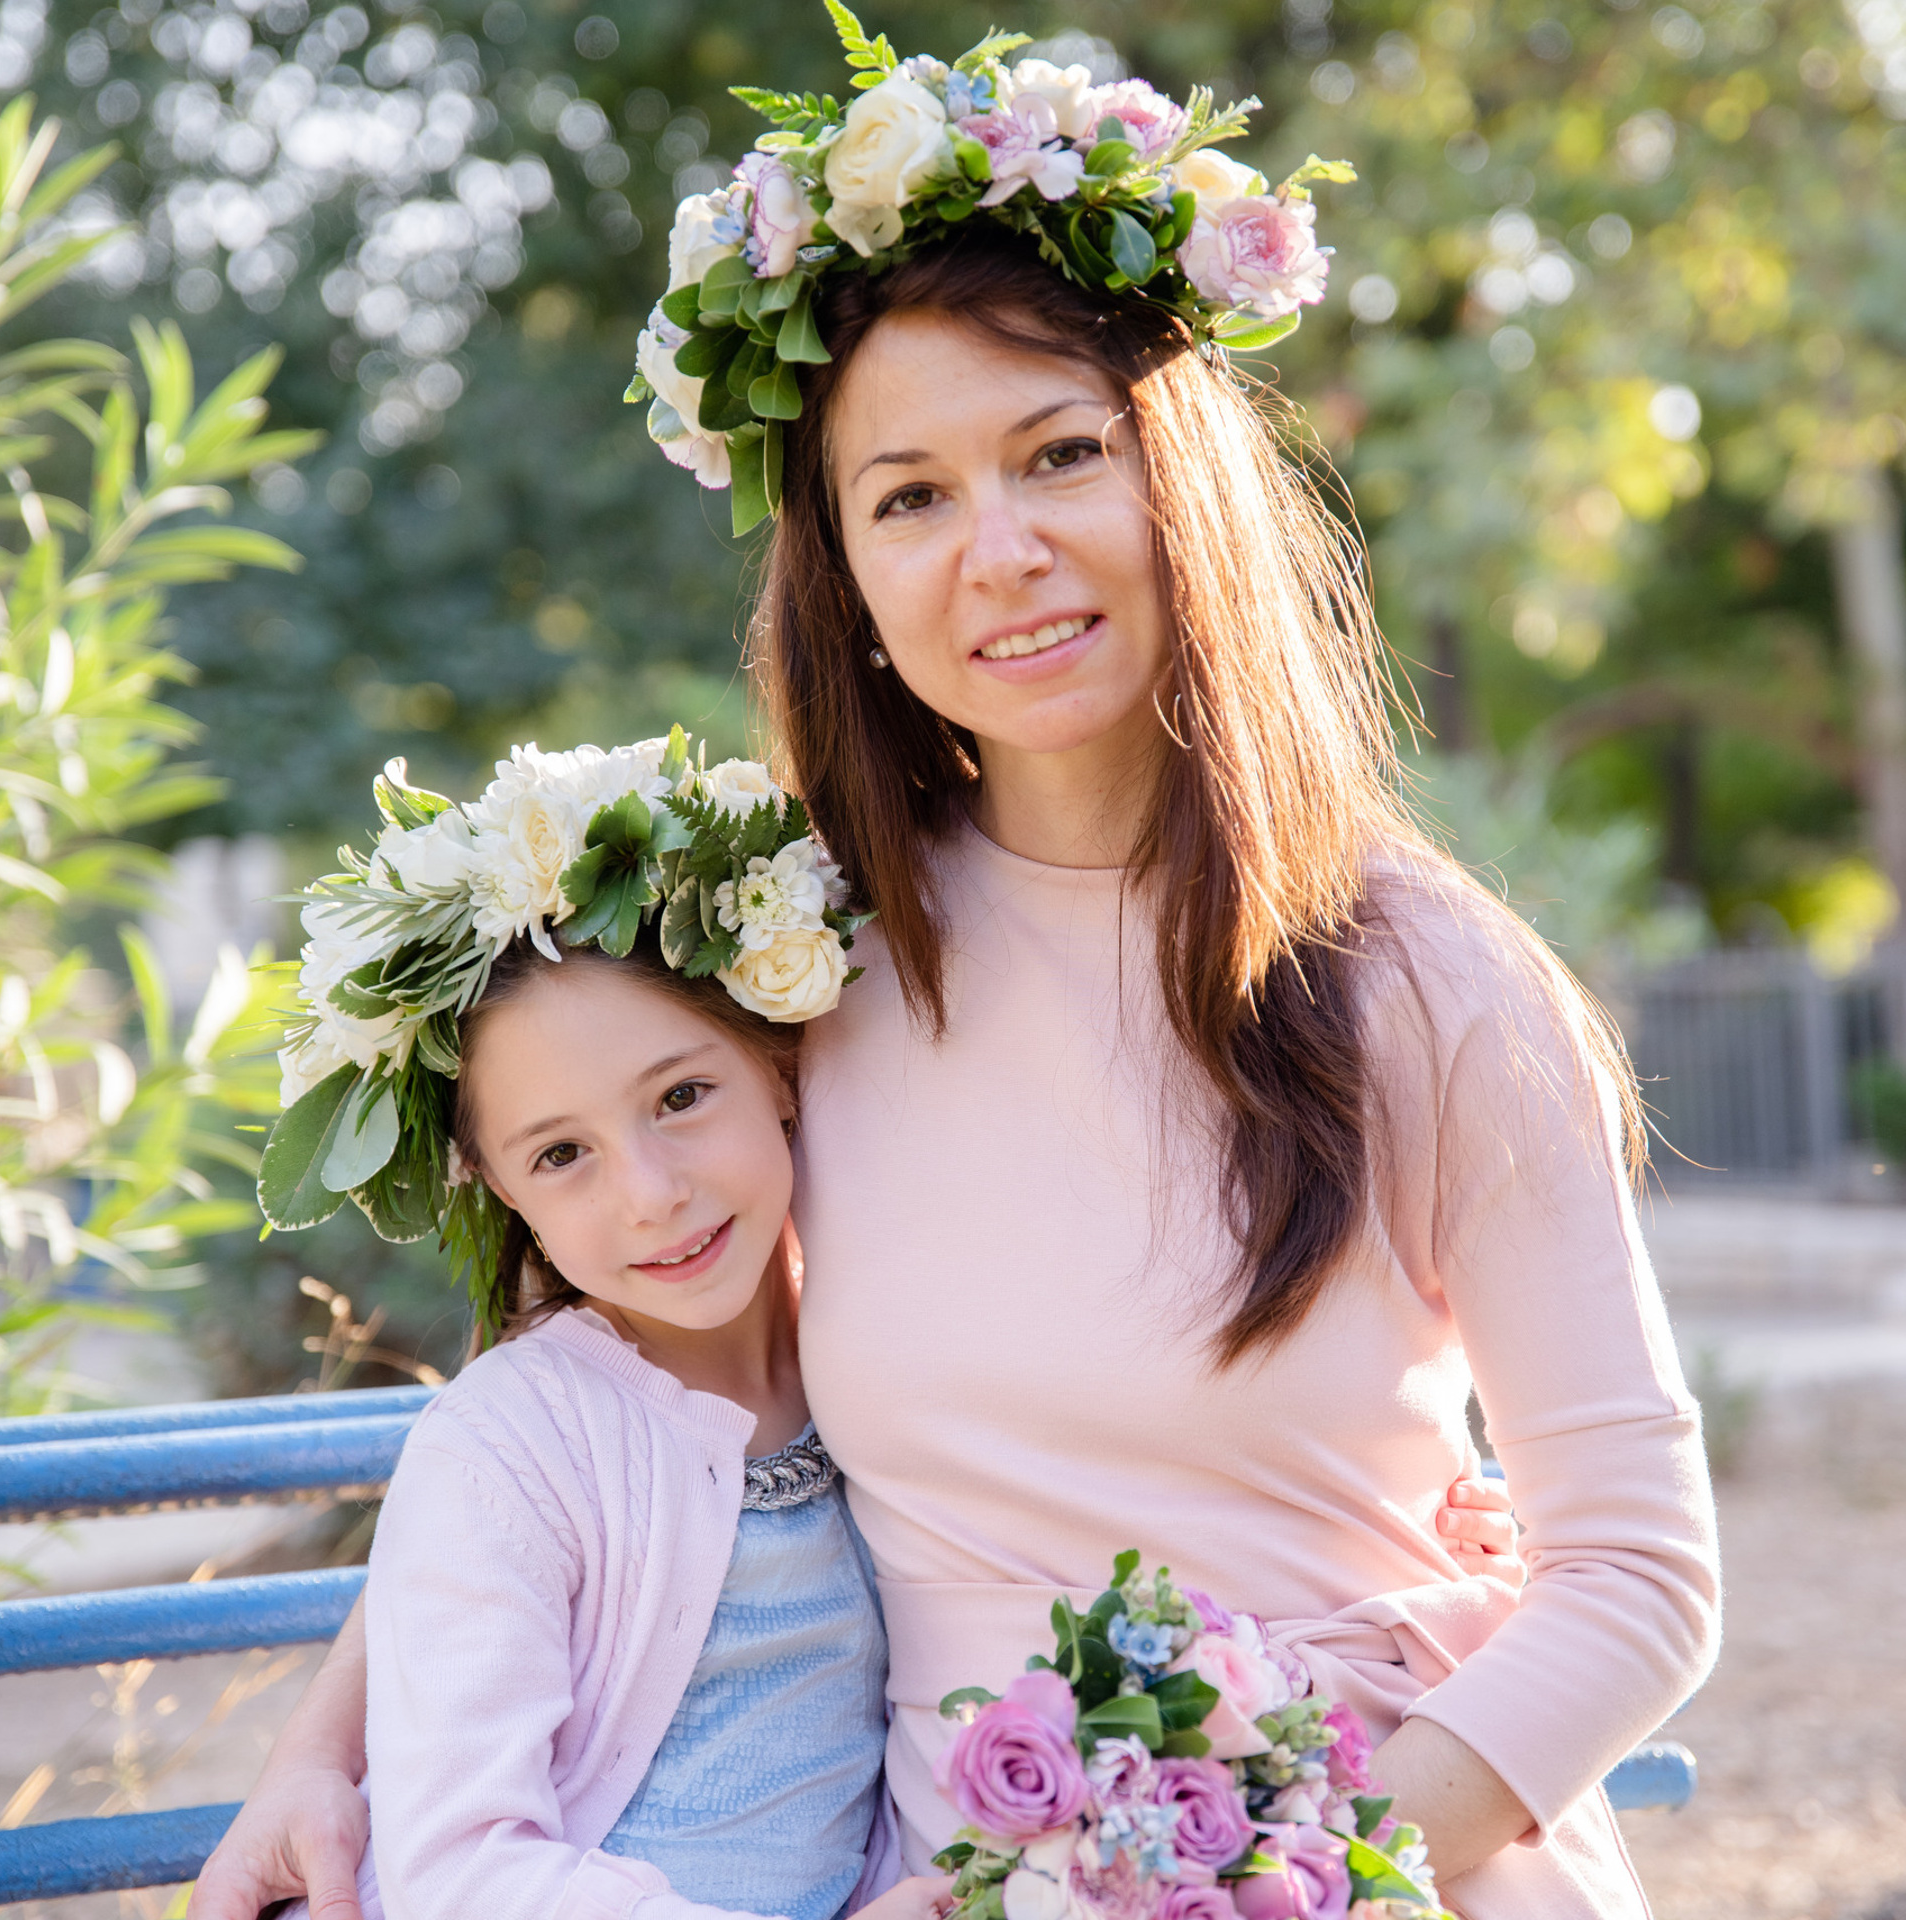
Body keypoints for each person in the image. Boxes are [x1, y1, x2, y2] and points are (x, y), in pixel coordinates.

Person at [199, 28, 1717, 1920]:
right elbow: (612, 1386)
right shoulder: (805, 949)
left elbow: (1641, 1577)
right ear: (843, 566)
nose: (998, 551)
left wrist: (1286, 1870)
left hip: (1375, 1850)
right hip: (963, 1881)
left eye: (1061, 455)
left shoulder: (1426, 986)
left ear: (1182, 486)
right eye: (908, 495)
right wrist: (319, 1750)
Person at [249, 742, 943, 1920]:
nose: (651, 1194)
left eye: (681, 1096)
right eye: (562, 1154)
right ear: (498, 1187)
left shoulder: (882, 1352)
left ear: (780, 1066)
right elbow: (464, 1872)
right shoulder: (511, 1447)